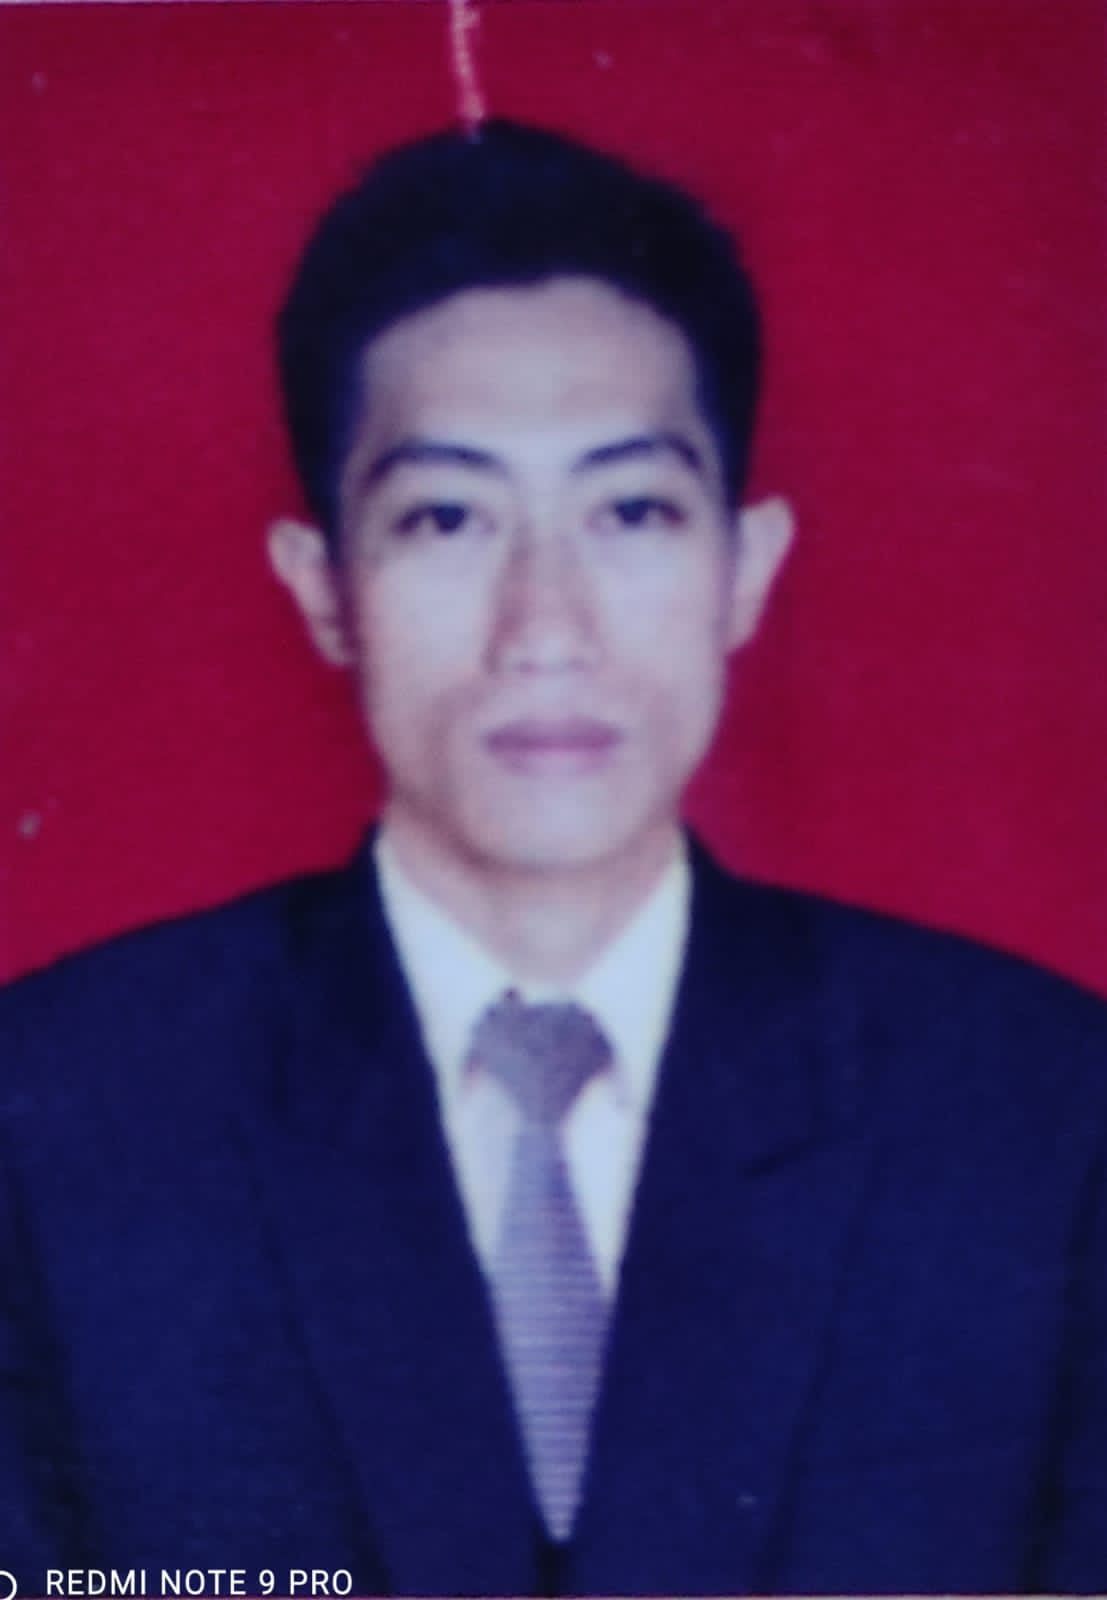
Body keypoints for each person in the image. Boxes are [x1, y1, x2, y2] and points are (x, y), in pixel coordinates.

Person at [1, 120, 1104, 1597]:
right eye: (447, 518)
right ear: (323, 588)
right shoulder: (57, 1125)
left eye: (631, 511)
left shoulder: (1037, 1116)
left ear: (746, 569)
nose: (546, 627)